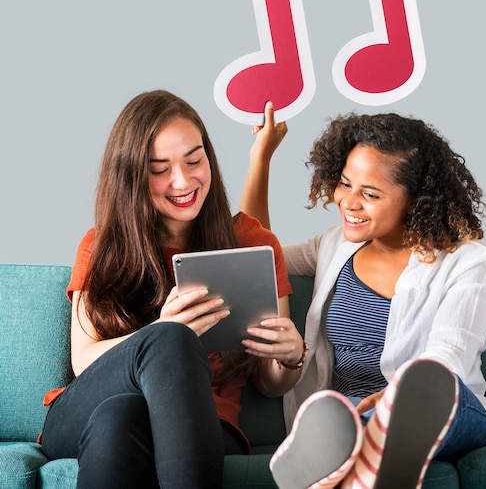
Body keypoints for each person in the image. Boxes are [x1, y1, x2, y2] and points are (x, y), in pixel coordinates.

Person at [40, 90, 307, 489]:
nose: (183, 181)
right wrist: (162, 334)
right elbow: (85, 361)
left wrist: (290, 357)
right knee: (167, 340)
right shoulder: (101, 245)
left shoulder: (251, 242)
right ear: (130, 174)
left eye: (194, 160)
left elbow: (270, 383)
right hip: (81, 414)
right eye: (159, 168)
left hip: (204, 424)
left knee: (121, 417)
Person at [240, 103, 486, 489]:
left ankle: (345, 447)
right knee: (347, 419)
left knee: (431, 389)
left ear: (416, 199)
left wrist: (393, 400)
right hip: (351, 411)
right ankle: (364, 455)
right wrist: (261, 156)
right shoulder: (332, 247)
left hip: (448, 412)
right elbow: (257, 255)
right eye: (345, 183)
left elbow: (448, 357)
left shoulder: (470, 262)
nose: (349, 202)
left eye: (370, 193)